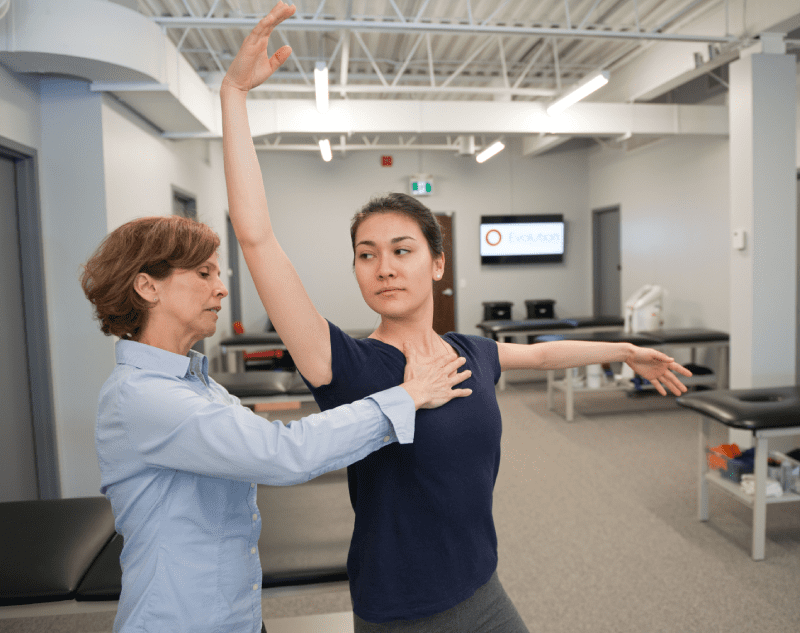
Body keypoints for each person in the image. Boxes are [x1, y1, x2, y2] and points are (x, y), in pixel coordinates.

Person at [221, 3, 693, 630]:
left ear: (437, 264)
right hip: (402, 611)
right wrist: (233, 95)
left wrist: (625, 350)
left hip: (485, 590)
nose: (383, 267)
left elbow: (545, 353)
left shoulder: (472, 352)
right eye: (366, 255)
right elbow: (256, 238)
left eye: (401, 250)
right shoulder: (348, 366)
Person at [80, 214, 472, 633]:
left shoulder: (198, 383)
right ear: (147, 286)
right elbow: (285, 453)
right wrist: (409, 396)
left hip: (237, 617)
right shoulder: (143, 397)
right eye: (203, 272)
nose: (221, 287)